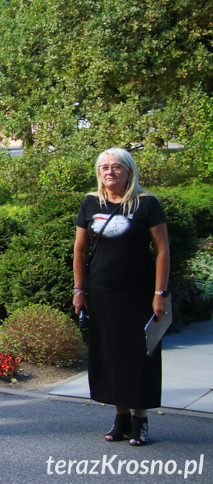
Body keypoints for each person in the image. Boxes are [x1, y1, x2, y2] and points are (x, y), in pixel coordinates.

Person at [73, 148, 170, 446]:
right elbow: (80, 249)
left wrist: (159, 294)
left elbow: (163, 251)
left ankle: (140, 420)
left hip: (139, 294)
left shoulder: (147, 203)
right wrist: (79, 290)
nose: (109, 172)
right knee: (111, 356)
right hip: (102, 294)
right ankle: (121, 418)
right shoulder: (91, 203)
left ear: (129, 171)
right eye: (104, 167)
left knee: (141, 356)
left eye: (117, 167)